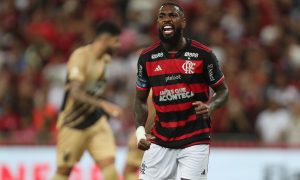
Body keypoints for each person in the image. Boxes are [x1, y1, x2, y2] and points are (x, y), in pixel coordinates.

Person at [134, 2, 229, 180]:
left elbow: (223, 91)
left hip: (195, 138)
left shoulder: (204, 55)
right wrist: (140, 132)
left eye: (173, 15)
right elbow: (139, 99)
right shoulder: (146, 58)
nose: (167, 20)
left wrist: (211, 107)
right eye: (162, 16)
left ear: (183, 22)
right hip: (160, 139)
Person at [52, 21, 122, 180]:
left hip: (96, 122)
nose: (119, 45)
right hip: (73, 123)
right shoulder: (80, 56)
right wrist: (103, 104)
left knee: (109, 167)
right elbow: (75, 92)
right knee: (63, 171)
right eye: (116, 41)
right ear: (105, 41)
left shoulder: (105, 60)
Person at [123, 90, 155, 180]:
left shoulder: (151, 90)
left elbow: (148, 115)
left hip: (148, 137)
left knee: (129, 171)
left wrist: (139, 134)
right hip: (170, 136)